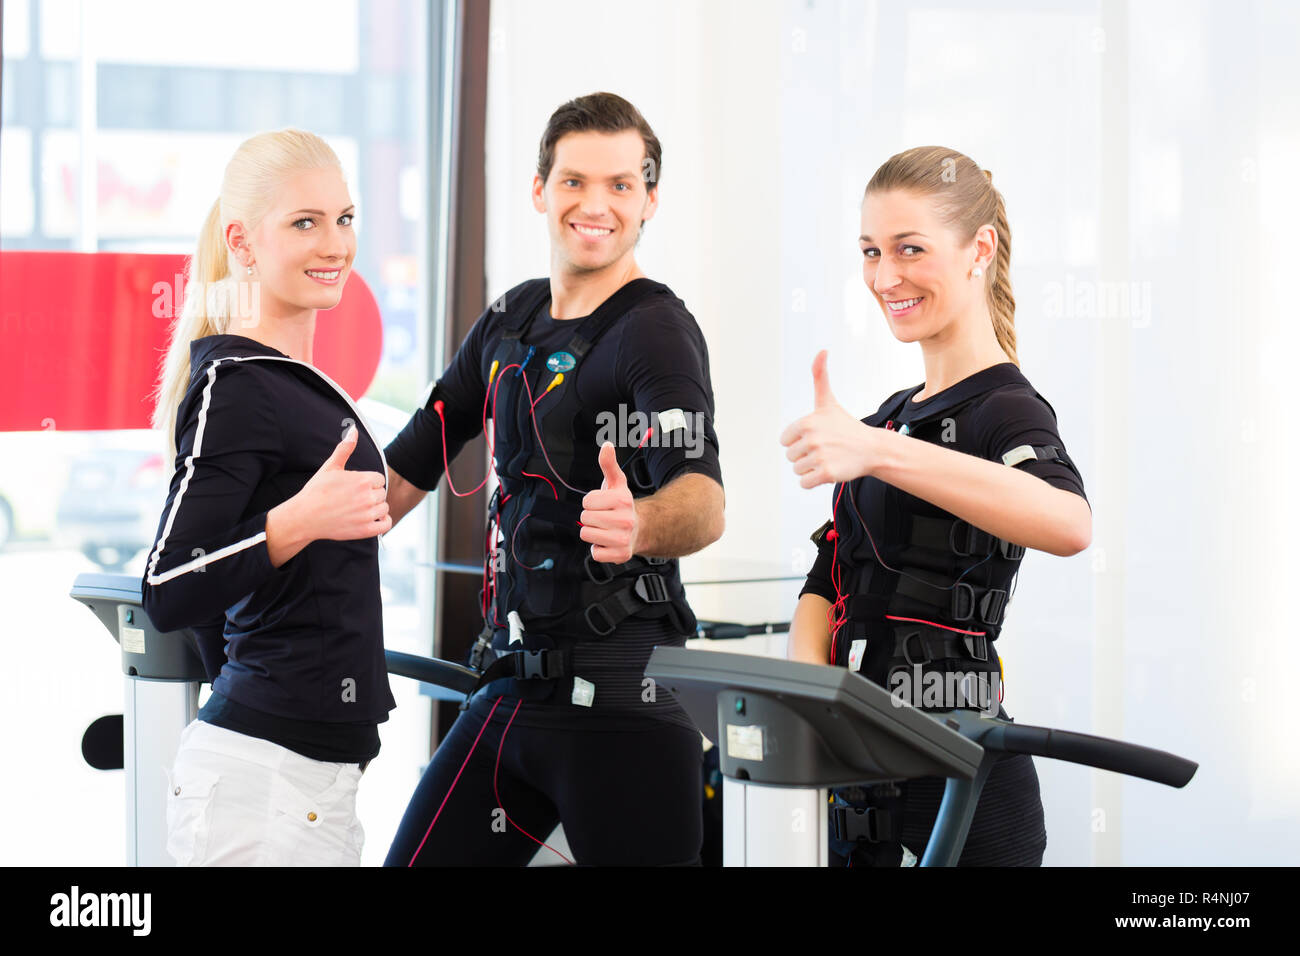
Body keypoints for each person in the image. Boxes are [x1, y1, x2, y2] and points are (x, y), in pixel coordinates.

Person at [382, 92, 725, 866]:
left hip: (622, 706)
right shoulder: (511, 318)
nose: (594, 204)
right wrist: (293, 530)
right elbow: (408, 465)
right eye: (573, 181)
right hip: (510, 695)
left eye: (619, 185)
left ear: (649, 200)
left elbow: (703, 500)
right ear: (540, 190)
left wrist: (639, 521)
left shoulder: (656, 331)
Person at [780, 145, 1091, 866]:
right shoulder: (889, 418)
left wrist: (877, 453)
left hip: (964, 793)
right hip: (861, 786)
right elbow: (830, 573)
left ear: (979, 248)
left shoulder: (1006, 409)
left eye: (910, 249)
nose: (885, 277)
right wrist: (808, 698)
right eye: (870, 251)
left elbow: (1069, 522)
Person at [142, 129, 395, 866]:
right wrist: (295, 523)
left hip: (308, 783)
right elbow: (167, 587)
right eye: (304, 223)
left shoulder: (287, 382)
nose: (334, 243)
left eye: (344, 219)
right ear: (243, 242)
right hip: (265, 783)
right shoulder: (238, 382)